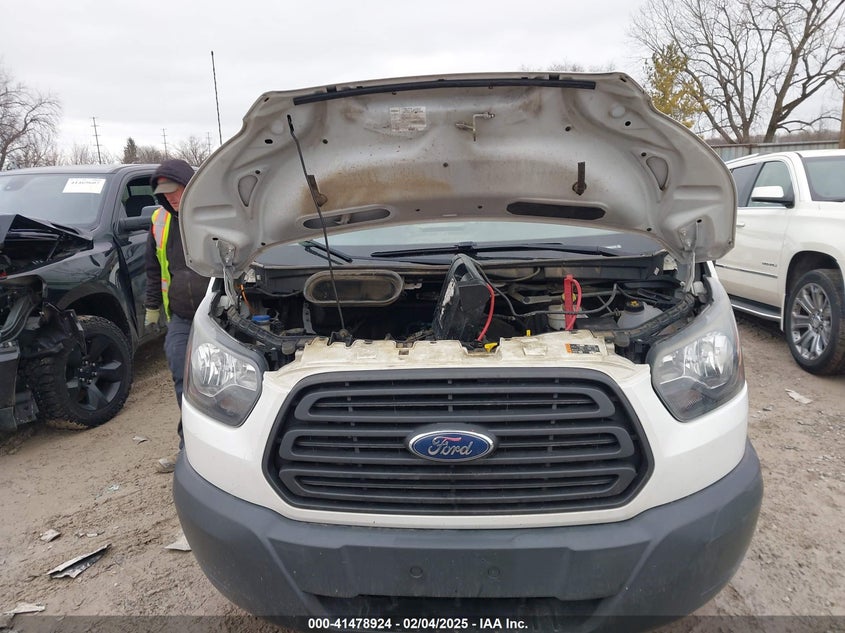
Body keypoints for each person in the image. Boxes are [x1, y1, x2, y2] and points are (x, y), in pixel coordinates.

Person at [144, 159, 207, 473]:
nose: (170, 197)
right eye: (164, 193)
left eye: (175, 190)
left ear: (190, 185)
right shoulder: (159, 221)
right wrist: (152, 307)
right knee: (183, 377)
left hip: (218, 314)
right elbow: (153, 268)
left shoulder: (214, 214)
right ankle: (190, 450)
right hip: (181, 316)